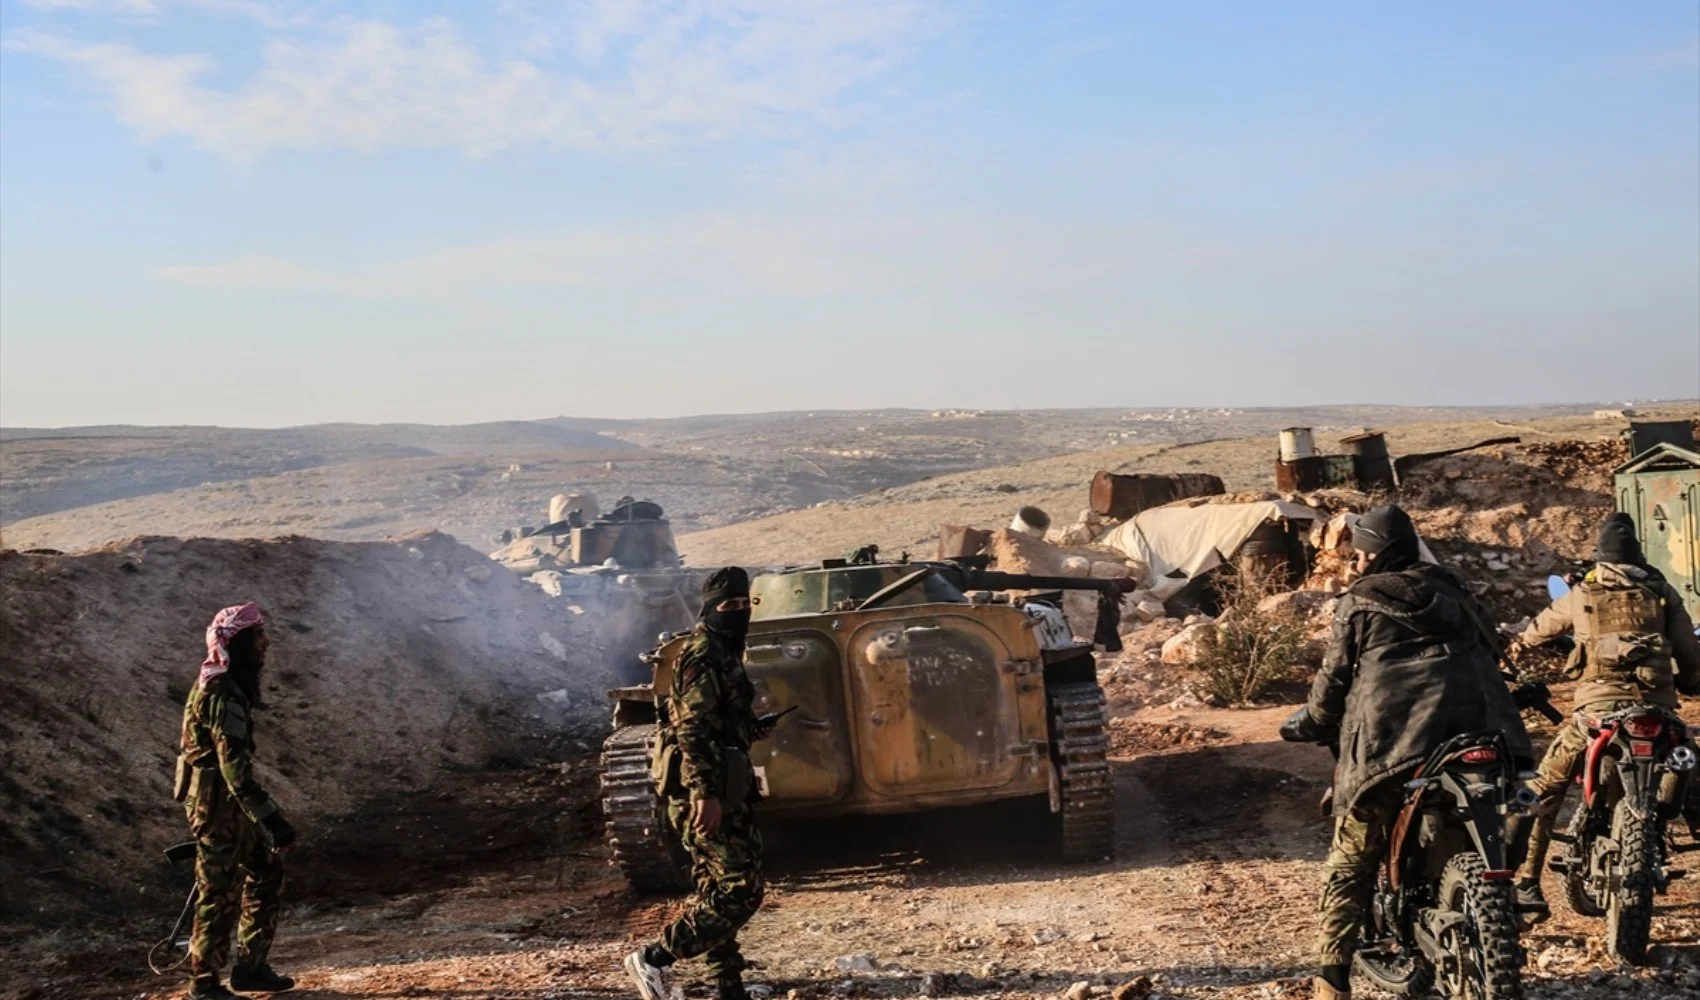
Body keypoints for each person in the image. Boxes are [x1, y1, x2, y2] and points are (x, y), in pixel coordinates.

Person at [1281, 506, 1531, 1000]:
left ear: (1374, 553)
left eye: (1359, 553)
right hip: (1481, 728)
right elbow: (1494, 648)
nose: (1354, 562)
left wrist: (1307, 723)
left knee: (1351, 854)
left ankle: (1331, 980)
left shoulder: (1360, 601)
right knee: (1513, 807)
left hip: (1391, 740)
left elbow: (1333, 683)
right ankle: (1506, 895)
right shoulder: (1452, 589)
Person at [1506, 511, 1700, 913]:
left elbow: (1540, 628)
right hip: (1656, 708)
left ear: (1601, 557)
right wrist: (1690, 683)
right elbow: (1688, 650)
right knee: (1688, 765)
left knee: (1545, 788)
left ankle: (1527, 883)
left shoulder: (1582, 593)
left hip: (1596, 713)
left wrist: (1516, 646)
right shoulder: (1661, 591)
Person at [626, 567, 775, 1000]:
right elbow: (691, 730)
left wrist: (750, 728)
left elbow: (720, 725)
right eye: (731, 606)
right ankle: (653, 958)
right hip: (705, 791)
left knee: (715, 890)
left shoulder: (725, 651)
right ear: (710, 609)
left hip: (723, 784)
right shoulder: (704, 653)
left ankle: (728, 987)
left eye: (746, 605)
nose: (740, 612)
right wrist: (704, 795)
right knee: (741, 890)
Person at [175, 602, 297, 999]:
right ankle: (203, 983)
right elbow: (235, 772)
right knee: (219, 891)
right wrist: (270, 817)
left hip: (226, 805)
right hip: (217, 808)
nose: (265, 643)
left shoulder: (227, 687)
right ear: (239, 643)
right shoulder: (222, 693)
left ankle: (251, 968)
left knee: (266, 871)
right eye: (258, 636)